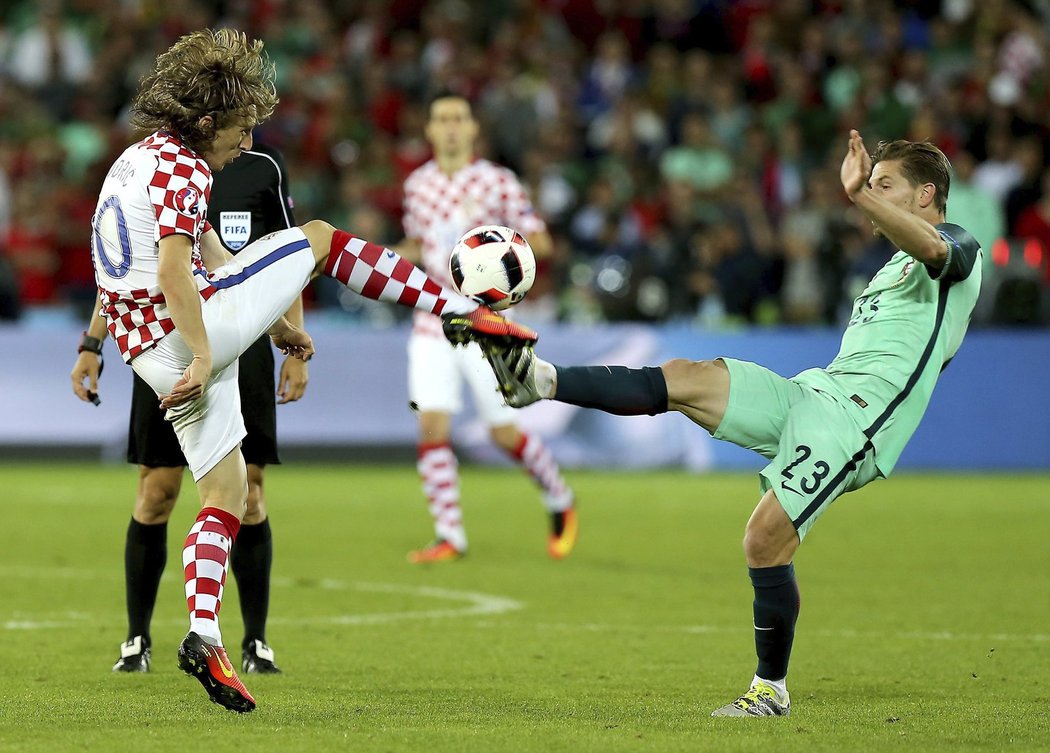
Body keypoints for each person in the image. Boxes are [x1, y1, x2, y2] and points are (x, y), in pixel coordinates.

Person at [73, 28, 535, 714]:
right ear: (206, 121)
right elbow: (175, 270)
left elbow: (196, 249)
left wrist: (276, 322)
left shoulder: (134, 161)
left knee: (225, 493)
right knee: (319, 237)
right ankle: (462, 309)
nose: (244, 143)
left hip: (149, 351)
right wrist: (207, 351)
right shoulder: (188, 168)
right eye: (237, 129)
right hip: (188, 332)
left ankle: (204, 634)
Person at [469, 131, 982, 717]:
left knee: (764, 540)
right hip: (814, 394)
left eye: (885, 184)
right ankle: (539, 381)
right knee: (688, 376)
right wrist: (872, 200)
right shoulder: (891, 267)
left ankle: (771, 690)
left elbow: (943, 255)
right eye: (871, 183)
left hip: (856, 424)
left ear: (925, 197)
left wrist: (858, 198)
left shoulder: (958, 249)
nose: (871, 191)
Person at [71, 140, 304, 676]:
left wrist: (287, 339)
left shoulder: (261, 166)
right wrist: (92, 343)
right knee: (157, 490)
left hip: (238, 345)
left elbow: (283, 261)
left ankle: (255, 641)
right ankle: (136, 638)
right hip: (163, 344)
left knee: (249, 493)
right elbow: (125, 266)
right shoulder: (159, 167)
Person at [396, 91, 576, 564]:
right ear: (430, 130)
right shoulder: (418, 185)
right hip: (431, 317)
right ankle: (449, 536)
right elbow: (418, 242)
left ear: (473, 128)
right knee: (432, 426)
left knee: (504, 434)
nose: (451, 126)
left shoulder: (497, 181)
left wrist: (503, 254)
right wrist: (383, 262)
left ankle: (560, 498)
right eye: (441, 118)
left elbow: (540, 240)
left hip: (487, 321)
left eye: (459, 118)